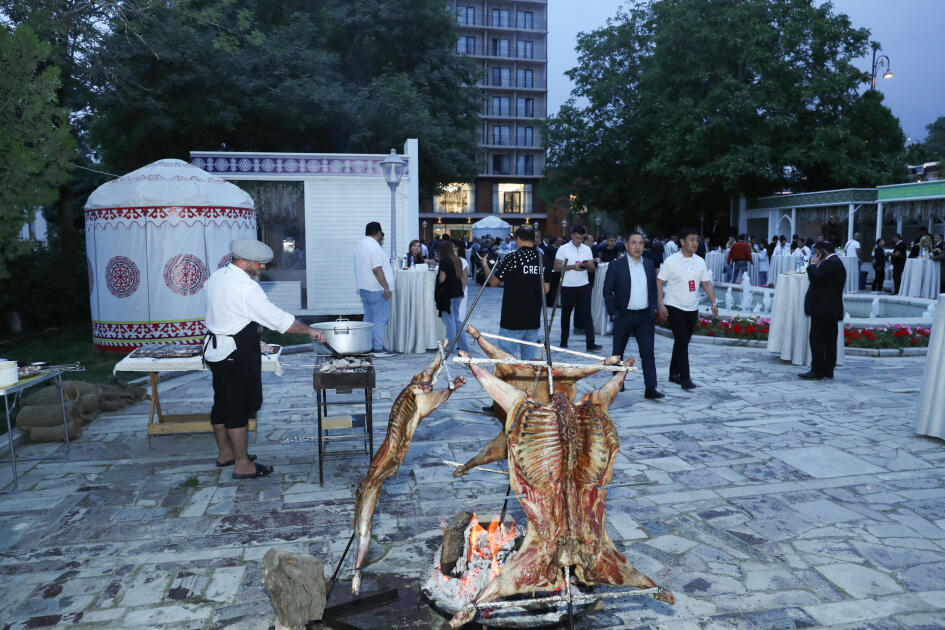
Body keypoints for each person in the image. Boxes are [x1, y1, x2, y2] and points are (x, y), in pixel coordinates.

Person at [203, 238, 327, 479]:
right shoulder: (247, 289)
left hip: (216, 351)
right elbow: (281, 321)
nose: (262, 268)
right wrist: (310, 331)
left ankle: (226, 454)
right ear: (244, 261)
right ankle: (242, 465)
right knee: (238, 409)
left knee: (222, 404)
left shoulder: (218, 276)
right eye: (259, 264)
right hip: (234, 353)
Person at [603, 232, 663, 399]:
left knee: (648, 353)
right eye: (634, 243)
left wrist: (653, 309)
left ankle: (650, 388)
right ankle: (617, 383)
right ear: (627, 245)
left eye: (641, 243)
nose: (638, 246)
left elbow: (652, 289)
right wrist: (613, 313)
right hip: (623, 315)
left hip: (644, 317)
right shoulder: (616, 265)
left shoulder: (649, 264)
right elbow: (607, 292)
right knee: (618, 353)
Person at [657, 228, 718, 390]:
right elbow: (660, 282)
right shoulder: (671, 261)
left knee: (681, 341)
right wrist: (661, 304)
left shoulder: (700, 261)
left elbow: (706, 283)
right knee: (683, 342)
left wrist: (713, 303)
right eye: (691, 240)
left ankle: (673, 373)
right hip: (674, 306)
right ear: (682, 242)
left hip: (692, 307)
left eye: (697, 240)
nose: (695, 243)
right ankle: (685, 378)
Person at [478, 227, 544, 359]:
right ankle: (527, 379)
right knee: (529, 360)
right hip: (533, 316)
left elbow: (493, 282)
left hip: (512, 316)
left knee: (505, 357)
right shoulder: (541, 259)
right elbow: (546, 289)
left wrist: (484, 265)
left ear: (518, 240)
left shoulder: (512, 258)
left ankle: (507, 380)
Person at [800, 241, 846, 380]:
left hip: (823, 309)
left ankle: (817, 370)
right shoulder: (834, 262)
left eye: (816, 253)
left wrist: (812, 264)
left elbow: (815, 276)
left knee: (818, 339)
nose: (815, 255)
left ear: (823, 252)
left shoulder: (831, 263)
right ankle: (827, 369)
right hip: (828, 309)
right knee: (829, 340)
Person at [554, 225, 602, 351]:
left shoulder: (586, 249)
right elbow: (557, 267)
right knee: (566, 315)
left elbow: (591, 270)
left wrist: (590, 264)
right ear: (571, 236)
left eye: (581, 238)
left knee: (587, 314)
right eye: (576, 238)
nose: (578, 241)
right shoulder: (563, 249)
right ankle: (563, 342)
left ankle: (590, 344)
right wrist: (572, 267)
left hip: (583, 286)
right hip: (567, 286)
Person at [353, 221, 395, 357]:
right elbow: (377, 269)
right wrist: (386, 287)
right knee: (379, 319)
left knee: (369, 318)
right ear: (378, 232)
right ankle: (378, 348)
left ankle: (366, 345)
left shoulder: (360, 245)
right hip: (376, 288)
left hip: (364, 288)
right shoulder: (374, 247)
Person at [435, 240, 470, 352]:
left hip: (447, 294)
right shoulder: (457, 260)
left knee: (449, 322)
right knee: (456, 320)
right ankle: (464, 346)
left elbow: (442, 278)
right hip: (457, 293)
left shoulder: (444, 261)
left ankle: (451, 347)